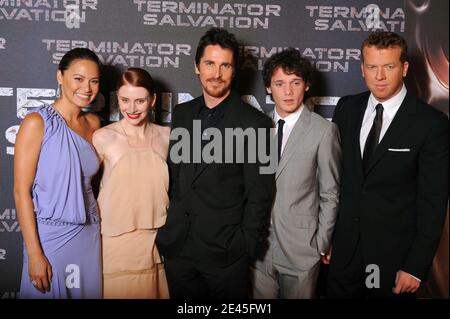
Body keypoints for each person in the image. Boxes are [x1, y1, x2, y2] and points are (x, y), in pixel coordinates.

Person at [327, 31, 449, 298]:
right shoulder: (347, 108)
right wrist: (329, 238)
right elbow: (336, 180)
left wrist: (415, 267)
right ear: (362, 69)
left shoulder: (431, 124)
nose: (379, 76)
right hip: (342, 257)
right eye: (371, 67)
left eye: (388, 67)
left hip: (393, 263)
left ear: (404, 68)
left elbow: (433, 202)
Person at [155, 27, 275, 299]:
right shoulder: (183, 114)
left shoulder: (256, 124)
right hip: (178, 249)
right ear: (196, 66)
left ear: (235, 71)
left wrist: (245, 246)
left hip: (226, 255)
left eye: (225, 65)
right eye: (209, 63)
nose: (216, 73)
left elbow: (261, 194)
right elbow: (176, 176)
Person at [250, 48, 341, 299]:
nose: (288, 92)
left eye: (295, 83)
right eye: (280, 83)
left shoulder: (324, 131)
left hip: (302, 249)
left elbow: (330, 193)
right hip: (260, 249)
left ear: (307, 85)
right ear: (269, 88)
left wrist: (320, 243)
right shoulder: (257, 128)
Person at [14, 48, 102, 298]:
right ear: (60, 77)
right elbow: (21, 192)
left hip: (89, 234)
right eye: (78, 78)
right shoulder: (36, 122)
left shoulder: (94, 124)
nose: (87, 88)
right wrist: (34, 253)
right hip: (50, 237)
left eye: (94, 81)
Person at [92, 68, 170, 299]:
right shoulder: (103, 137)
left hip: (156, 242)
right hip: (115, 244)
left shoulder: (168, 136)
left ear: (153, 100)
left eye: (140, 101)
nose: (131, 108)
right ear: (117, 98)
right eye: (125, 100)